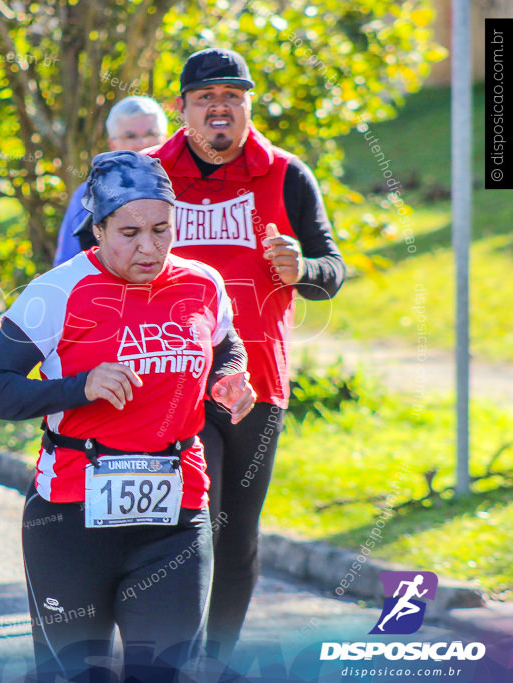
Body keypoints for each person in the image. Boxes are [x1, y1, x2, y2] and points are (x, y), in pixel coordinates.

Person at [0, 151, 255, 682]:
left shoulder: (202, 284)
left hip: (176, 512)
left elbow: (227, 348)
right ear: (97, 229)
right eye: (129, 232)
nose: (149, 247)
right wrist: (79, 387)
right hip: (71, 517)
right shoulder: (56, 291)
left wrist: (231, 378)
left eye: (162, 229)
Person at [147, 47, 346, 662]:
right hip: (171, 376)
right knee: (187, 520)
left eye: (232, 97)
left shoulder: (287, 175)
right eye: (206, 97)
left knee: (236, 534)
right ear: (180, 109)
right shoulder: (147, 172)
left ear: (248, 106)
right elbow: (91, 254)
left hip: (257, 383)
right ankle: (174, 653)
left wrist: (303, 266)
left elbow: (332, 268)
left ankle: (215, 660)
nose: (220, 109)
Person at [53, 96, 169, 266]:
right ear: (112, 145)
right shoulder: (91, 193)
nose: (142, 144)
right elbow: (67, 264)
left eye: (151, 134)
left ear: (166, 138)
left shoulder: (188, 185)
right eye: (130, 136)